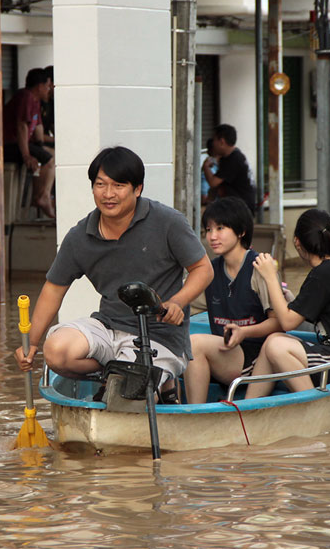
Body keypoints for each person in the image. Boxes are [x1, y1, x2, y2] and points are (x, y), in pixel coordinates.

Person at [14, 146, 212, 402]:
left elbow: (203, 269)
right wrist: (30, 344)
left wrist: (177, 301)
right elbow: (53, 288)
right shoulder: (79, 236)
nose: (108, 194)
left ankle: (152, 380)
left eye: (118, 185)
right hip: (108, 327)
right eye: (100, 184)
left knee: (130, 392)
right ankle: (112, 372)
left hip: (159, 335)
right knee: (55, 351)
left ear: (137, 189)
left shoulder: (168, 222)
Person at [246, 209, 330, 397]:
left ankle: (314, 407)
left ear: (297, 243)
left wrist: (269, 277)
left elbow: (287, 322)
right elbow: (306, 312)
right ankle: (247, 410)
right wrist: (289, 300)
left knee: (276, 346)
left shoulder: (323, 274)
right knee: (273, 340)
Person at [184, 197, 280, 405]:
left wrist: (244, 332)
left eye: (220, 228)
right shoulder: (209, 270)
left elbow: (278, 321)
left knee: (195, 344)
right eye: (208, 230)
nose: (212, 236)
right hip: (225, 352)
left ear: (241, 231)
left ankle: (194, 413)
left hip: (257, 357)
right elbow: (184, 302)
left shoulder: (260, 267)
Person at [3, 67, 55, 218]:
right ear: (39, 86)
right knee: (48, 160)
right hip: (9, 145)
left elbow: (38, 135)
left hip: (21, 144)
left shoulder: (36, 101)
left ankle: (40, 196)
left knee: (50, 154)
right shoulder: (25, 96)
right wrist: (26, 156)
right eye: (47, 86)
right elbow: (21, 127)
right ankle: (42, 197)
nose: (49, 90)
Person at [203, 124, 256, 212]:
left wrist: (205, 167)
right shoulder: (230, 156)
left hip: (241, 209)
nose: (213, 143)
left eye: (214, 140)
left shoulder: (234, 159)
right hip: (237, 206)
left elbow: (213, 183)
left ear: (222, 142)